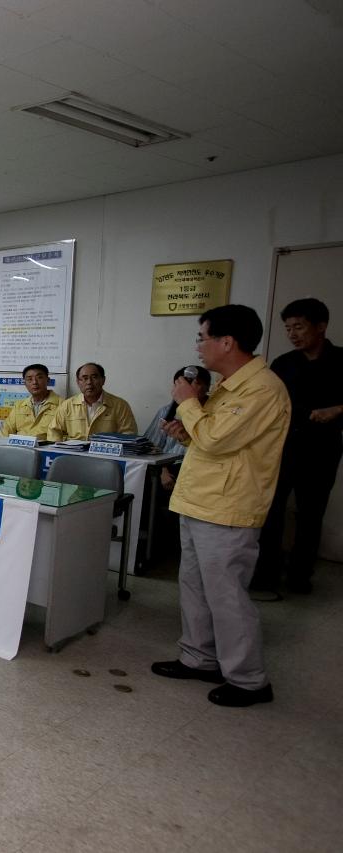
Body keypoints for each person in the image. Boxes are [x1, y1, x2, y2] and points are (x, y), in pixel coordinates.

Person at [152, 304, 289, 708]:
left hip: (228, 508)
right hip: (199, 501)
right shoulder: (230, 387)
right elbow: (211, 441)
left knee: (227, 594)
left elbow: (216, 441)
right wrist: (186, 431)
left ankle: (248, 680)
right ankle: (200, 657)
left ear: (227, 342)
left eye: (203, 337)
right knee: (194, 587)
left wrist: (187, 403)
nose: (199, 347)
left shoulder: (262, 389)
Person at [253, 298, 343, 596]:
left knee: (310, 513)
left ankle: (300, 575)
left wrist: (337, 409)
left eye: (299, 326)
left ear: (321, 326)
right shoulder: (283, 363)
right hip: (283, 448)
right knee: (272, 511)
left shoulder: (341, 360)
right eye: (288, 328)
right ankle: (266, 574)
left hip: (323, 449)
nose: (292, 333)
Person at [49, 362, 138, 440]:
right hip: (73, 456)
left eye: (94, 377)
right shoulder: (67, 405)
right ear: (78, 382)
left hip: (105, 457)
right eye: (84, 378)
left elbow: (129, 435)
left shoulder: (120, 405)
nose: (89, 382)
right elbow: (54, 431)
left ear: (103, 380)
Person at [144, 366, 212, 465]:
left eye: (195, 383)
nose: (188, 389)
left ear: (207, 387)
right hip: (167, 467)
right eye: (183, 384)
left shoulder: (217, 412)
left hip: (198, 468)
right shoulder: (167, 411)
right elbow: (151, 446)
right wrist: (163, 470)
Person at [0, 363, 62, 438]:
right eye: (29, 379)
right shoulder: (19, 406)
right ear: (24, 383)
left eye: (39, 378)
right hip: (20, 448)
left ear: (48, 380)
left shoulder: (63, 405)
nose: (34, 382)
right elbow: (5, 432)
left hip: (46, 448)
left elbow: (67, 436)